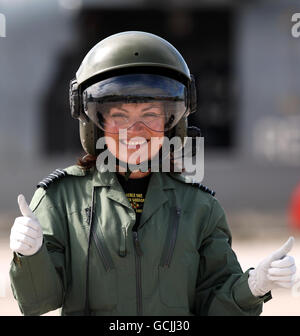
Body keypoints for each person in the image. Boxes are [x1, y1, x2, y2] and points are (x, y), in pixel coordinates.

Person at [9, 31, 297, 316]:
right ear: (95, 125)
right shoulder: (61, 200)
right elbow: (37, 302)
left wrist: (253, 286)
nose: (135, 132)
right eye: (119, 116)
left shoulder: (200, 209)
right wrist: (30, 256)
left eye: (150, 116)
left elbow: (215, 305)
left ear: (171, 125)